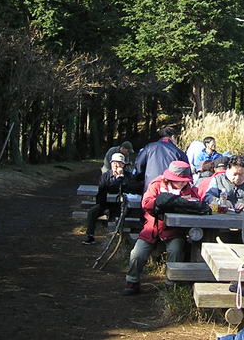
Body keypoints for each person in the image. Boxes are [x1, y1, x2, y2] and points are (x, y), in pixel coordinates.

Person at [122, 160, 201, 295]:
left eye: (184, 180)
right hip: (152, 228)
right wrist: (160, 203)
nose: (182, 183)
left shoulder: (190, 190)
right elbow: (146, 203)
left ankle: (171, 285)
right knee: (137, 254)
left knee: (175, 251)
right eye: (179, 180)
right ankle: (132, 282)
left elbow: (198, 204)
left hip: (175, 231)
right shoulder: (157, 184)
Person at [83, 152, 139, 245]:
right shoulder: (105, 176)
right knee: (92, 212)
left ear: (123, 165)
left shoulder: (129, 176)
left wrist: (120, 178)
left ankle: (123, 241)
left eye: (119, 163)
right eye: (114, 163)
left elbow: (132, 188)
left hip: (122, 205)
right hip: (106, 204)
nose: (116, 165)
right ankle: (90, 236)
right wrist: (104, 207)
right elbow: (101, 193)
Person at [133, 126, 188, 192]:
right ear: (173, 137)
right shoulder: (178, 152)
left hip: (150, 186)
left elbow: (139, 164)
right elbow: (186, 172)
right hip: (171, 190)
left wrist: (140, 179)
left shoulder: (149, 147)